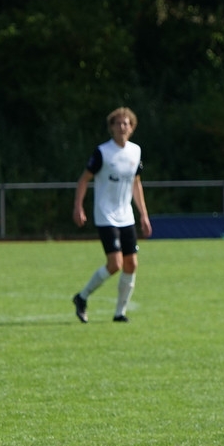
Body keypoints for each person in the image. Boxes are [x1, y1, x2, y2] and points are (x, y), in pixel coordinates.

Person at [72, 106, 152, 323]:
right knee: (115, 264)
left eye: (126, 123)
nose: (122, 127)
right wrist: (78, 206)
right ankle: (82, 297)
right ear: (111, 128)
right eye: (118, 123)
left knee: (131, 264)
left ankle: (119, 313)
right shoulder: (102, 152)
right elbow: (83, 179)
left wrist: (143, 215)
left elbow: (136, 184)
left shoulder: (136, 152)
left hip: (126, 215)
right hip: (105, 214)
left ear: (132, 127)